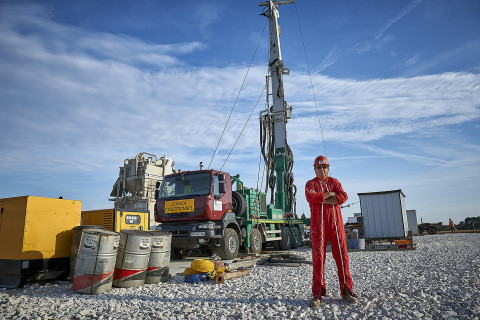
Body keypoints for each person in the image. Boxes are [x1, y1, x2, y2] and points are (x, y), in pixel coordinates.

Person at [305, 155, 357, 308]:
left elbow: (343, 196)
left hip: (336, 225)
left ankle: (347, 291)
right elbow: (310, 197)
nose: (322, 170)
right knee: (318, 258)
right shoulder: (310, 183)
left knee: (342, 256)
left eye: (325, 167)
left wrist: (321, 198)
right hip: (318, 226)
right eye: (319, 167)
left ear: (329, 168)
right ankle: (317, 294)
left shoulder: (335, 182)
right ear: (314, 169)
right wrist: (328, 195)